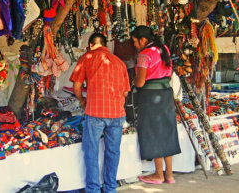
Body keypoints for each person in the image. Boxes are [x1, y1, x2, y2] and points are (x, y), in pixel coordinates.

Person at [70, 32, 130, 193]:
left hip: (95, 111)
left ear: (90, 45)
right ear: (105, 44)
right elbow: (125, 92)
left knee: (91, 150)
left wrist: (82, 100)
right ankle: (110, 188)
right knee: (113, 151)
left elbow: (76, 87)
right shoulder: (119, 62)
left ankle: (93, 189)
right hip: (117, 113)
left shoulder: (87, 58)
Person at [130, 26, 181, 184]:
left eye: (135, 41)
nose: (134, 45)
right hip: (166, 94)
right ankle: (169, 175)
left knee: (154, 133)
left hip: (151, 97)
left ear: (143, 40)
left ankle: (158, 174)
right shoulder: (163, 48)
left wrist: (133, 81)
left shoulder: (144, 54)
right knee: (167, 131)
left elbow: (140, 82)